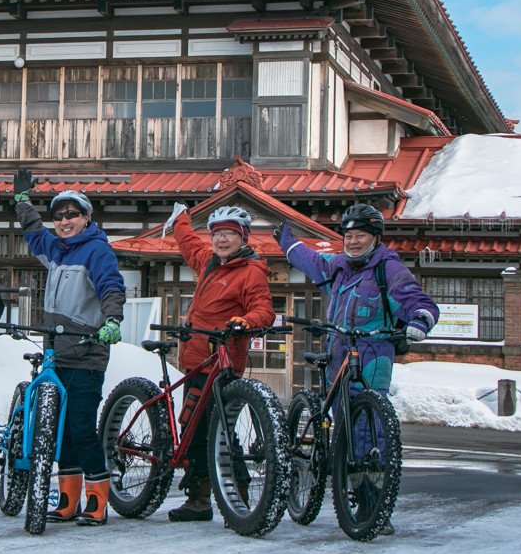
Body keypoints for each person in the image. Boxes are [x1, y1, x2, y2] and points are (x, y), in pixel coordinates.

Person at [276, 203, 438, 534]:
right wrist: (288, 244)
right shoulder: (339, 267)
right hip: (338, 355)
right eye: (348, 235)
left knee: (368, 431)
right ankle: (345, 483)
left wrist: (420, 321)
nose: (352, 241)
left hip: (373, 356)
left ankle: (372, 505)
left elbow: (418, 301)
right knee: (346, 431)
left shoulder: (388, 270)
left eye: (359, 235)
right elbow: (313, 263)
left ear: (375, 238)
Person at [12, 169, 125, 527]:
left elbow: (111, 287)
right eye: (58, 216)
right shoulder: (56, 252)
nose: (63, 221)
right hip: (56, 356)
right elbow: (33, 233)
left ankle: (97, 502)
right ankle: (67, 500)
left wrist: (112, 321)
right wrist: (21, 202)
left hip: (87, 354)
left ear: (86, 219)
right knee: (61, 431)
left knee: (81, 426)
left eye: (71, 215)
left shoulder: (97, 251)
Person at [160, 203, 275, 522]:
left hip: (222, 363)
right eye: (218, 234)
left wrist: (243, 321)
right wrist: (181, 218)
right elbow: (189, 244)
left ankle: (234, 496)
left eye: (229, 234)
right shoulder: (209, 262)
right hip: (196, 361)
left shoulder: (251, 271)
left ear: (244, 238)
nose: (222, 240)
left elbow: (264, 310)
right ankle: (201, 499)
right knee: (194, 427)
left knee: (217, 431)